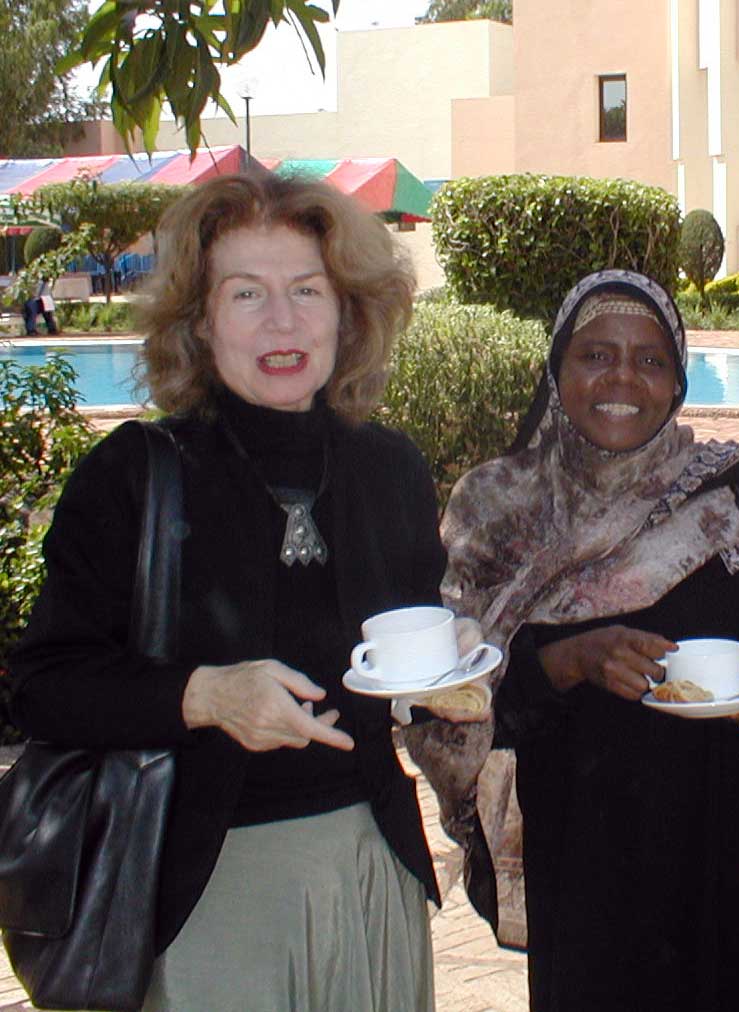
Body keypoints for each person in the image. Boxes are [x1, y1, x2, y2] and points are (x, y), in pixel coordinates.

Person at [9, 173, 447, 1012]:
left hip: (371, 869)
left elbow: (406, 659)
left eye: (305, 291)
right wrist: (204, 696)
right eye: (246, 293)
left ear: (347, 313)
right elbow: (42, 686)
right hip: (205, 892)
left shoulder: (388, 469)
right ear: (201, 324)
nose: (281, 321)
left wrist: (450, 689)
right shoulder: (133, 477)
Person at [404, 269, 739, 1012]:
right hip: (597, 898)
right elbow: (444, 707)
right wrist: (563, 663)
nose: (622, 377)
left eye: (650, 360)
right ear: (558, 370)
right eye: (595, 354)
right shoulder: (497, 510)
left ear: (677, 382)